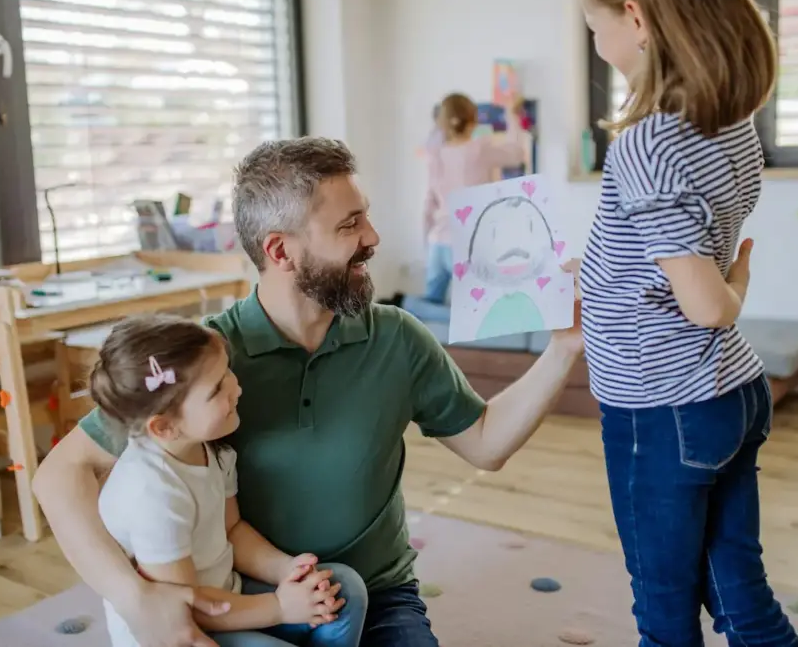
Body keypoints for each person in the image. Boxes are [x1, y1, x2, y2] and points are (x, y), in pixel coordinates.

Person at [33, 135, 584, 647]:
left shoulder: (397, 337)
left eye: (365, 216)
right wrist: (139, 599)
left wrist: (563, 349)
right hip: (241, 592)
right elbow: (60, 475)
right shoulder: (201, 361)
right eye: (350, 225)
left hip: (371, 592)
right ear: (280, 250)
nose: (373, 237)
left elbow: (485, 444)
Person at [577, 0, 798, 645]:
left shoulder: (647, 141)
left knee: (665, 615)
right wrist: (597, 272)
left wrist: (735, 286)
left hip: (662, 406)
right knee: (741, 595)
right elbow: (678, 242)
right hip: (729, 391)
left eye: (595, 25)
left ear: (637, 19)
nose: (594, 41)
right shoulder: (727, 120)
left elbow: (707, 305)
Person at [89, 314, 366, 647]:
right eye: (217, 388)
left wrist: (285, 570)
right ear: (164, 426)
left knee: (343, 588)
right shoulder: (152, 494)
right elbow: (188, 608)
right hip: (187, 630)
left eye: (227, 372)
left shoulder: (212, 449)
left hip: (227, 596)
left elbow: (231, 530)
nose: (236, 387)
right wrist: (279, 607)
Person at [415, 92, 531, 308]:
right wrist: (511, 114)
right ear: (473, 121)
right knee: (475, 309)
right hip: (468, 245)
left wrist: (426, 245)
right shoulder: (479, 149)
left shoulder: (434, 155)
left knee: (432, 310)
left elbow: (428, 206)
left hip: (437, 244)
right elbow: (517, 154)